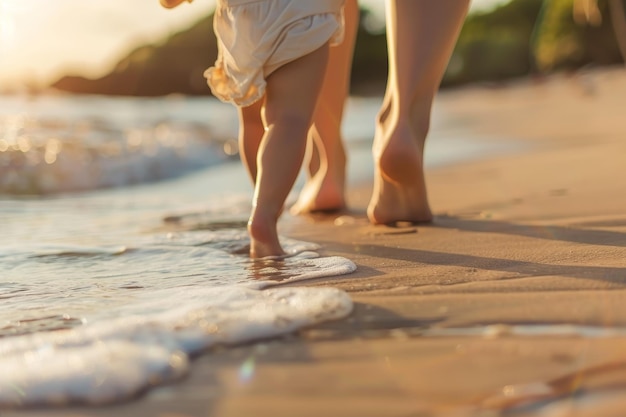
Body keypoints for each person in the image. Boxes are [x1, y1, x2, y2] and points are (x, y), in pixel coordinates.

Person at [162, 0, 347, 258]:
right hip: (302, 10)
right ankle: (265, 215)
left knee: (251, 121)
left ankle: (262, 207)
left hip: (244, 17)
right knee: (288, 121)